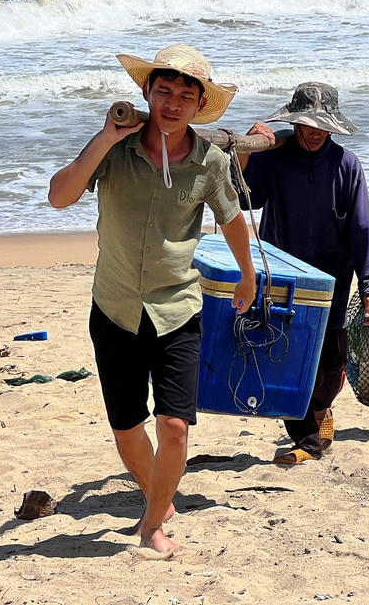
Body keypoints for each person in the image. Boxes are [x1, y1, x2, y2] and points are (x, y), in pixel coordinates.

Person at [48, 43, 257, 558]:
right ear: (146, 91)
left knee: (174, 425)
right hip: (114, 306)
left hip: (177, 308)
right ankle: (157, 497)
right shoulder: (115, 151)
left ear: (198, 105)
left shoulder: (209, 161)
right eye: (163, 90)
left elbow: (231, 218)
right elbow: (59, 195)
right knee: (127, 431)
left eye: (186, 95)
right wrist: (104, 137)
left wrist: (247, 276)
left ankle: (151, 527)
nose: (172, 102)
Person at [240, 82, 369, 466]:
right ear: (294, 123)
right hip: (283, 278)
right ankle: (307, 441)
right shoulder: (274, 158)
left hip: (332, 281)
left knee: (330, 364)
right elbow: (243, 199)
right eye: (306, 123)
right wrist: (245, 153)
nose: (315, 131)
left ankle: (321, 410)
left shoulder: (347, 165)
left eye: (322, 125)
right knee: (285, 356)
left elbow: (363, 231)